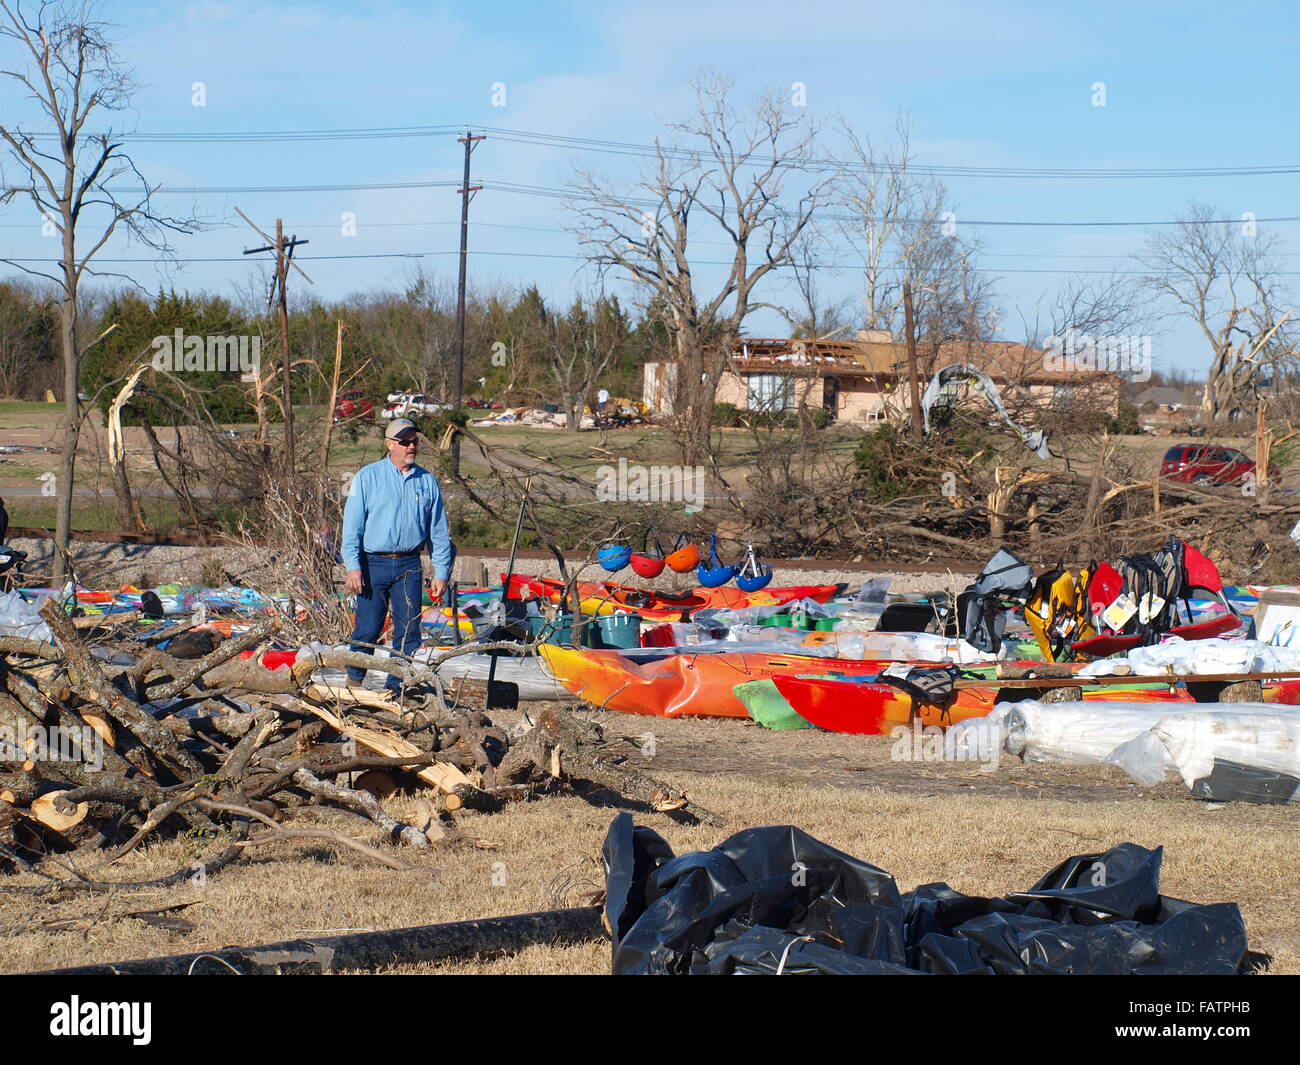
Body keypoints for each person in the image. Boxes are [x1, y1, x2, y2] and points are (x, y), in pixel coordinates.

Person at [341, 419, 453, 691]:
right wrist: (353, 566)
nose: (412, 446)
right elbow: (352, 525)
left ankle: (397, 688)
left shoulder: (427, 481)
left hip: (409, 564)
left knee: (409, 631)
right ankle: (354, 679)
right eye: (405, 442)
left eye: (414, 441)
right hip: (372, 564)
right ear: (390, 444)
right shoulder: (368, 477)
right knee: (368, 629)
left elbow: (438, 530)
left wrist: (441, 571)